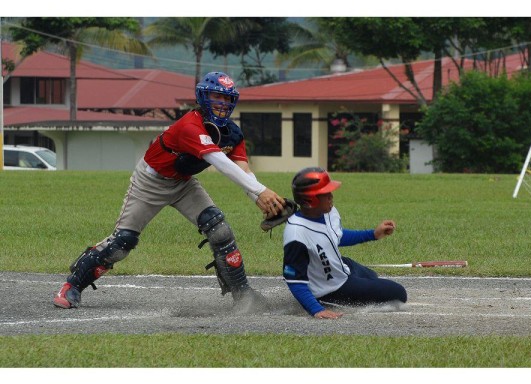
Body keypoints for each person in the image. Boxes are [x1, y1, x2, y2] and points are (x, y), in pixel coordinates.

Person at [53, 71, 286, 311]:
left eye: (228, 99)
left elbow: (242, 167)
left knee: (219, 230)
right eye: (218, 96)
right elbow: (220, 163)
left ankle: (243, 296)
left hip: (183, 184)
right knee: (123, 242)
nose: (223, 103)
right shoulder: (190, 126)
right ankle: (72, 286)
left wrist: (256, 196)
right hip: (150, 182)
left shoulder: (231, 132)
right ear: (203, 97)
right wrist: (260, 191)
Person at [282, 167, 407, 319]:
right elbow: (294, 279)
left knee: (372, 276)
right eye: (325, 194)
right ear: (310, 201)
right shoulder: (296, 234)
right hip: (330, 288)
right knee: (399, 294)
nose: (331, 196)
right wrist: (316, 309)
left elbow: (336, 236)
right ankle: (327, 301)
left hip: (340, 268)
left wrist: (373, 234)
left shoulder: (327, 212)